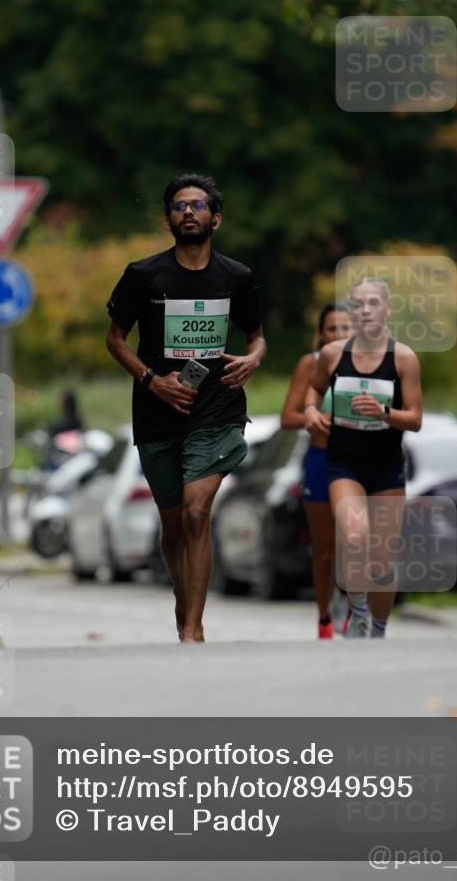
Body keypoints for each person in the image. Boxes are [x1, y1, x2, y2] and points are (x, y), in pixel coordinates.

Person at [106, 173, 266, 643]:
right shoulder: (143, 275)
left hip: (216, 407)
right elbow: (115, 340)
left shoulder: (236, 277)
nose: (188, 212)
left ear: (216, 218)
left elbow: (256, 337)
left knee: (198, 513)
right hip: (158, 409)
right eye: (179, 206)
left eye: (198, 205)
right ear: (168, 219)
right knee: (173, 522)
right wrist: (153, 381)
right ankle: (184, 607)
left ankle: (193, 631)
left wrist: (253, 359)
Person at [304, 278, 422, 639]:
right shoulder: (333, 354)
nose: (366, 310)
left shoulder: (403, 358)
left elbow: (415, 419)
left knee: (383, 562)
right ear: (352, 313)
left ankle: (379, 631)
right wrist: (310, 410)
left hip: (386, 467)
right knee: (354, 538)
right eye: (358, 304)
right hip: (344, 464)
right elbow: (315, 387)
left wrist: (383, 412)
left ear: (387, 309)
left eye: (373, 303)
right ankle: (357, 612)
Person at [280, 303, 353, 639]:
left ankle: (355, 614)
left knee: (356, 542)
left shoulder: (371, 365)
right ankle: (324, 617)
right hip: (321, 460)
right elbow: (288, 417)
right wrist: (316, 419)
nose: (338, 335)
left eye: (345, 328)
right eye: (332, 329)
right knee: (325, 552)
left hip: (359, 462)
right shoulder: (310, 364)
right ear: (320, 333)